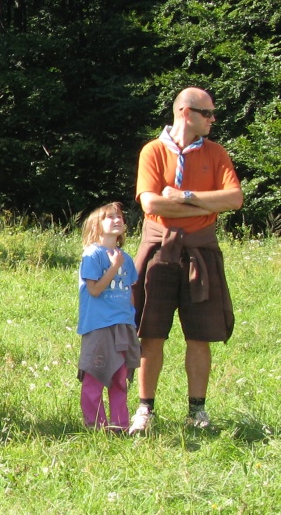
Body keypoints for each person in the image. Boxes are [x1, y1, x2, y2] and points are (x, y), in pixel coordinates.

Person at [130, 87, 243, 433]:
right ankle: (145, 409)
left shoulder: (216, 153)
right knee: (151, 333)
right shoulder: (153, 151)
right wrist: (208, 203)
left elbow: (235, 199)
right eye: (207, 113)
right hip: (159, 251)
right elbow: (151, 204)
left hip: (202, 252)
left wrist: (184, 196)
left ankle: (197, 411)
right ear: (185, 112)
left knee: (200, 335)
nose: (213, 120)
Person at [77, 203, 138, 431]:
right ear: (96, 226)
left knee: (120, 378)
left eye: (119, 216)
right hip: (99, 326)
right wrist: (113, 267)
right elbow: (94, 290)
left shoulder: (127, 258)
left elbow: (129, 293)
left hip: (122, 326)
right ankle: (95, 425)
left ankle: (120, 424)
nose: (116, 220)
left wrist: (132, 322)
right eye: (109, 217)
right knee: (95, 374)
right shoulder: (92, 255)